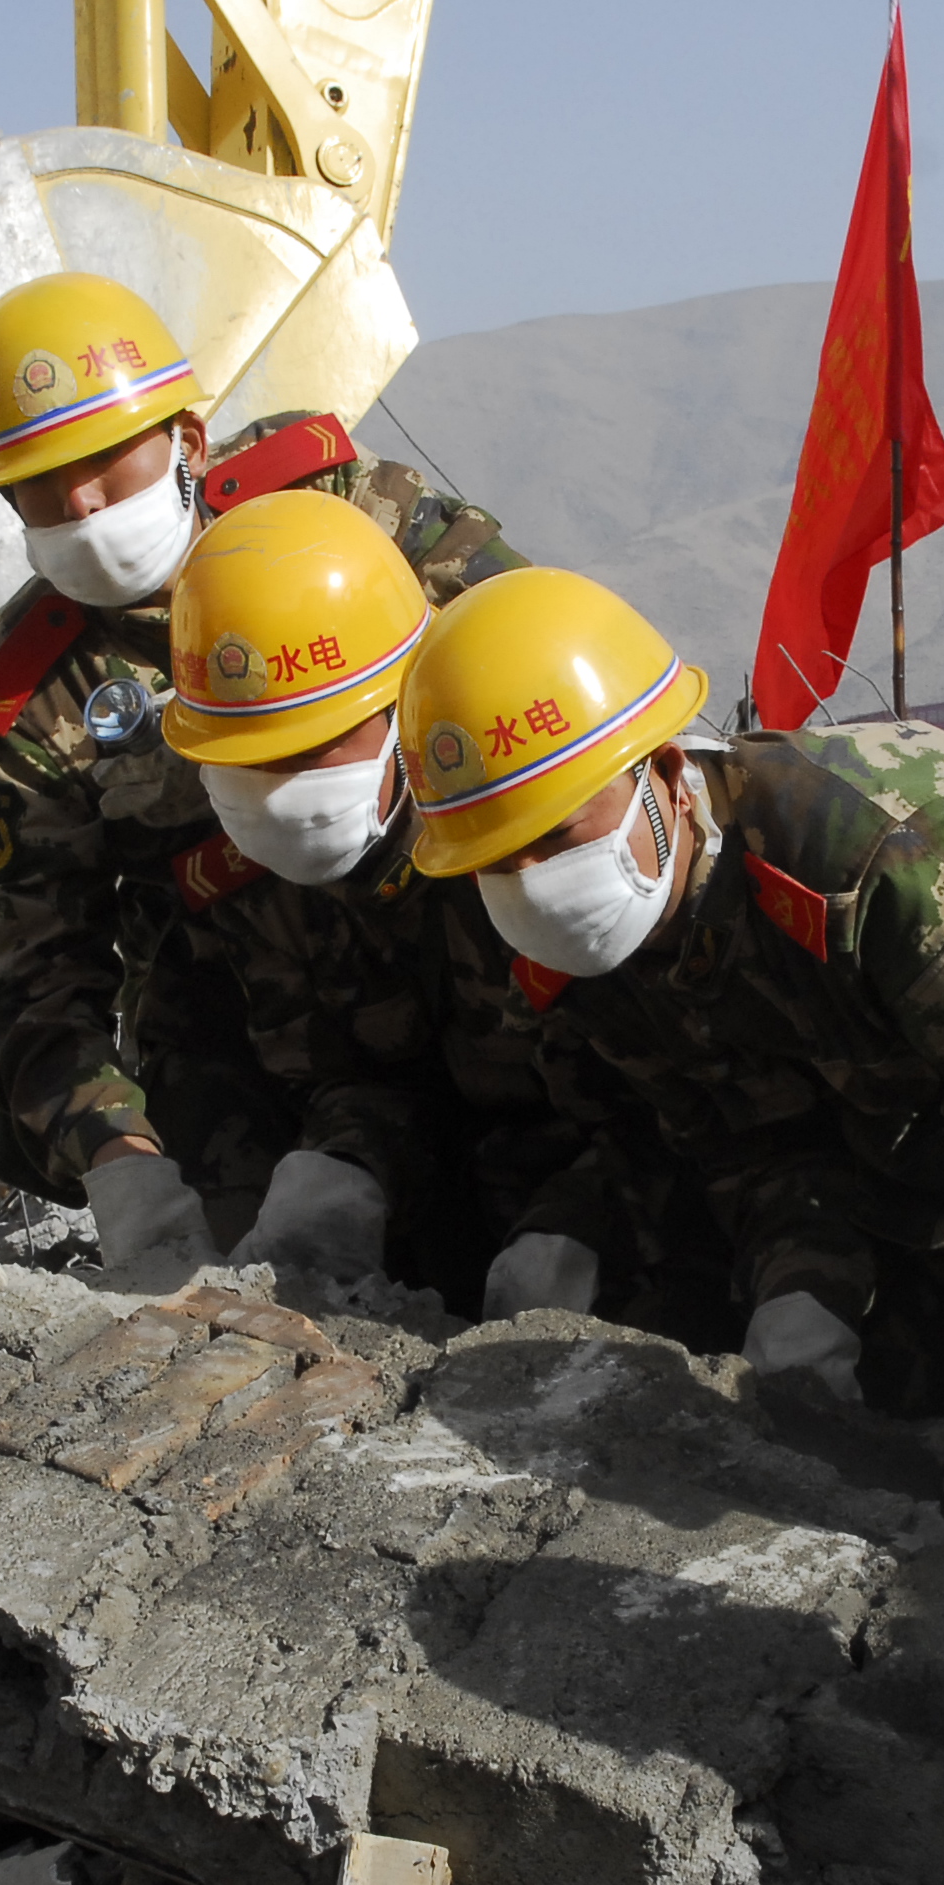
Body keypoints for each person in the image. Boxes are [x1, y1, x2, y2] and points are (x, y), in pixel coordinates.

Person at [394, 568, 944, 1510]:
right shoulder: (601, 943)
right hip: (913, 1162)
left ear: (669, 775)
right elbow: (746, 1146)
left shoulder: (879, 867)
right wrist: (801, 1288)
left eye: (559, 836)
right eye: (497, 862)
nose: (534, 883)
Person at [0, 272, 524, 1287]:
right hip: (248, 1033)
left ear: (189, 443)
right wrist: (121, 1166)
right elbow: (32, 984)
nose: (79, 505)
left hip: (470, 951)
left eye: (106, 467)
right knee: (269, 1294)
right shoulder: (30, 703)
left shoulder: (351, 514)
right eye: (38, 485)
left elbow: (533, 667)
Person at [149, 489, 594, 1306]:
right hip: (431, 1225)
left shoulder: (530, 827)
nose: (283, 793)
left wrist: (583, 1219)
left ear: (405, 700)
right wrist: (339, 1169)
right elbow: (347, 1071)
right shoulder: (247, 880)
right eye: (247, 762)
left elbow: (659, 1094)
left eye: (318, 746)